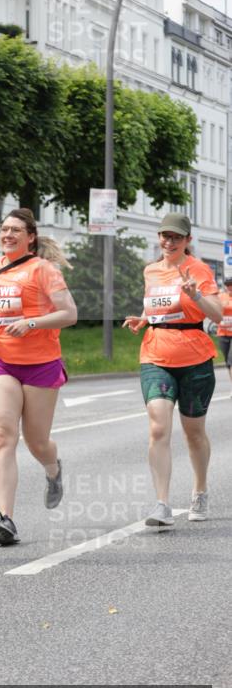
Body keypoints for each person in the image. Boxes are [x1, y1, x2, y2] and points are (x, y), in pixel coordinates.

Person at [0, 208, 77, 546]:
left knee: (36, 441)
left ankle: (53, 469)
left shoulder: (43, 270)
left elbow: (69, 314)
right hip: (0, 360)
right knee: (2, 435)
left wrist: (32, 323)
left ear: (30, 237)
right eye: (4, 229)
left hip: (40, 362)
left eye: (16, 230)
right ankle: (6, 519)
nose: (8, 234)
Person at [123, 212, 222, 527]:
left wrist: (196, 295)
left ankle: (200, 490)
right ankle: (162, 504)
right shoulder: (150, 270)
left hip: (194, 360)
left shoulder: (199, 269)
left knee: (194, 433)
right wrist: (144, 318)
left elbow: (217, 314)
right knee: (158, 428)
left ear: (187, 240)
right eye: (166, 235)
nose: (169, 242)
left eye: (177, 237)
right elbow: (158, 305)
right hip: (155, 356)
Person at [217, 277, 232, 396]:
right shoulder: (220, 296)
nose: (229, 287)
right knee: (228, 363)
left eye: (231, 284)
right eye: (227, 284)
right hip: (222, 333)